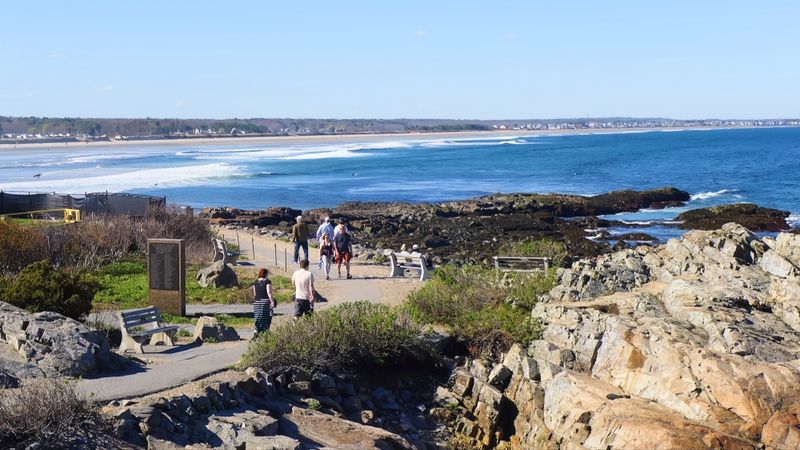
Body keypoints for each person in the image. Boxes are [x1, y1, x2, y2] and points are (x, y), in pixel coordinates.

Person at [252, 268, 276, 335]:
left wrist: (254, 301)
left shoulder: (255, 282)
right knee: (265, 317)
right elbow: (269, 292)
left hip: (257, 301)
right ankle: (265, 331)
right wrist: (272, 301)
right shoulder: (267, 281)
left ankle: (256, 330)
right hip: (265, 301)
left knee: (258, 316)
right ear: (265, 274)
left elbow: (255, 294)